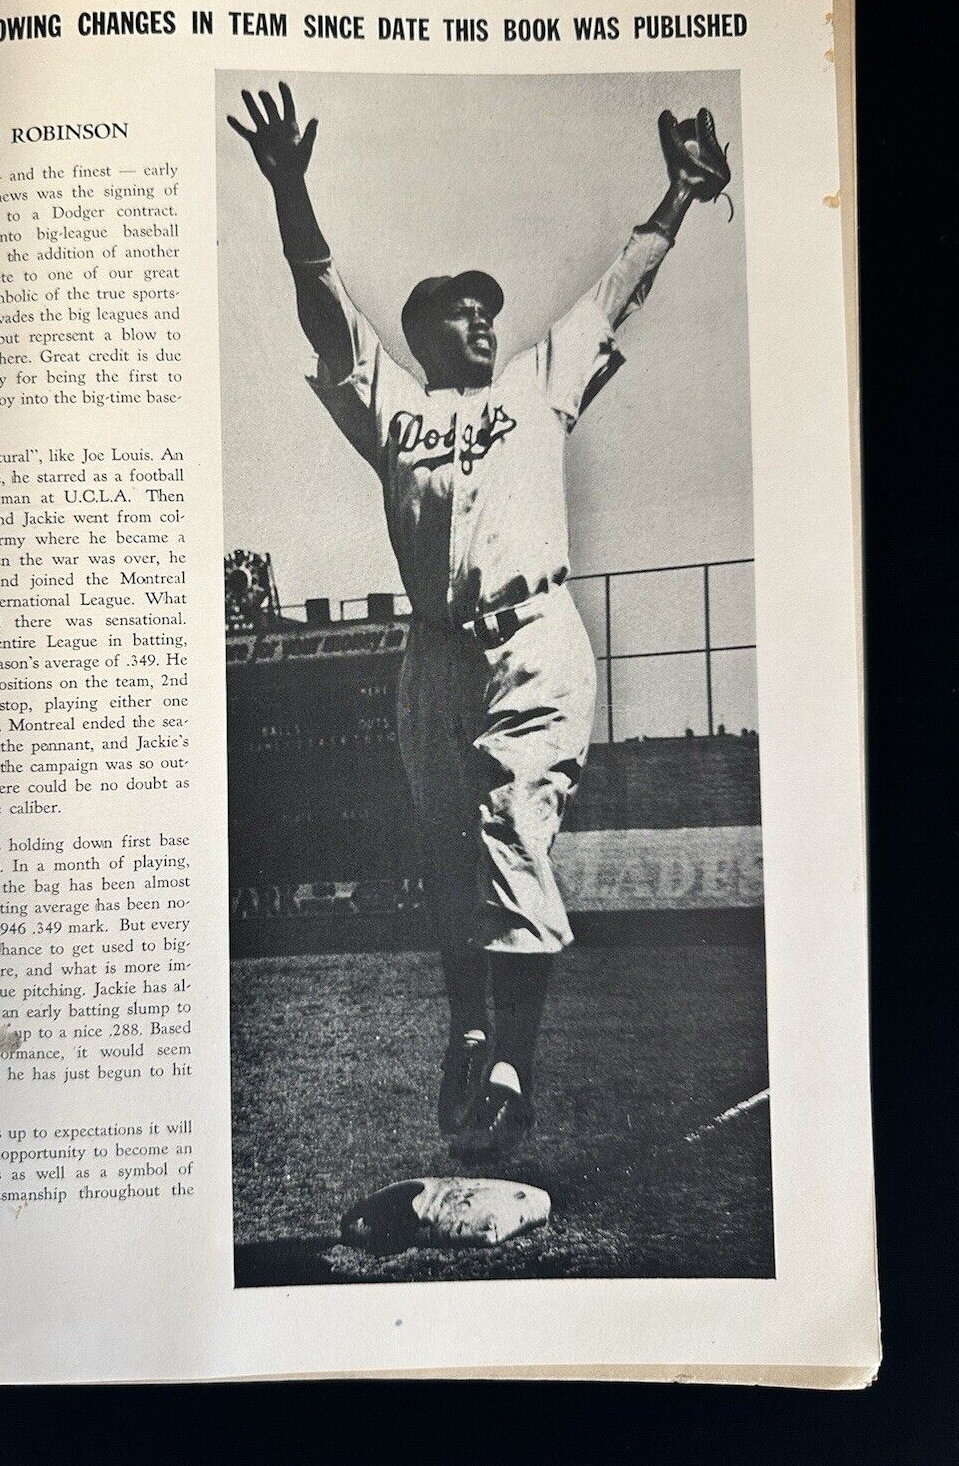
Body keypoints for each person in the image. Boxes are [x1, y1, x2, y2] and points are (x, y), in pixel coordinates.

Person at [228, 83, 730, 1155]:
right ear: (422, 329)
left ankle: (510, 1067)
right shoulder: (397, 410)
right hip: (435, 655)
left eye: (488, 303)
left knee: (510, 827)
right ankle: (467, 1036)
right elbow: (322, 300)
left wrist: (681, 193)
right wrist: (289, 191)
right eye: (462, 305)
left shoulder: (539, 383)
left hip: (532, 638)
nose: (484, 315)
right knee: (448, 856)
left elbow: (620, 286)